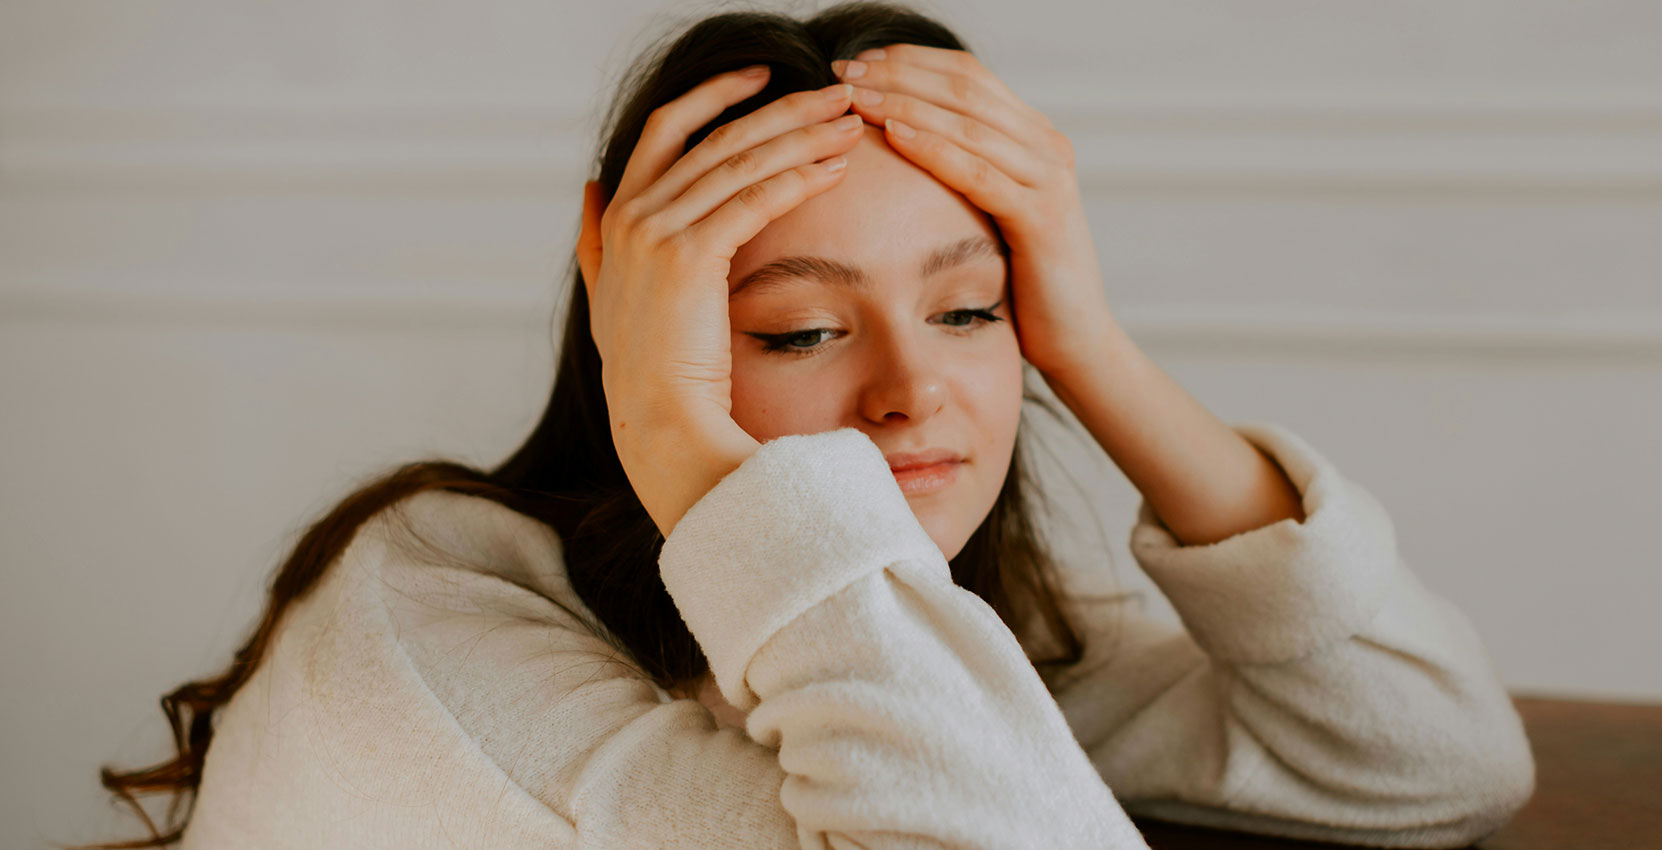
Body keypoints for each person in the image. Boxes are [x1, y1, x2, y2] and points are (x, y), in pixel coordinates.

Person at [75, 3, 1536, 848]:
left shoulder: (895, 626)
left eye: (970, 310)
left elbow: (1436, 755)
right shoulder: (435, 632)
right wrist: (674, 421)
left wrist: (1085, 344)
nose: (913, 391)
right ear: (642, 324)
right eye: (799, 330)